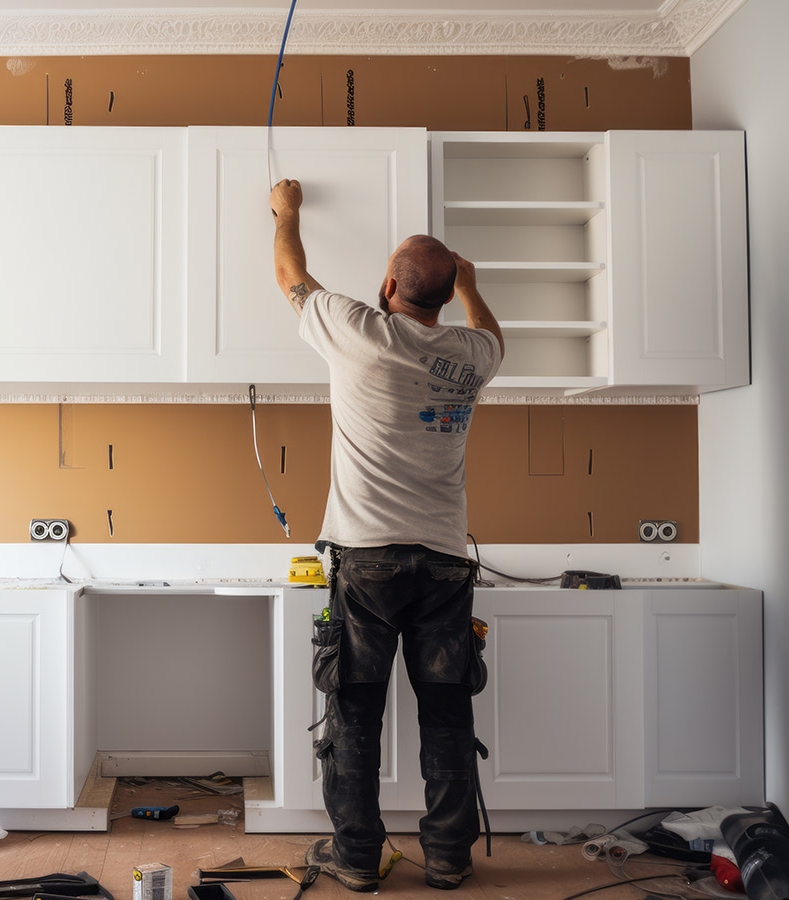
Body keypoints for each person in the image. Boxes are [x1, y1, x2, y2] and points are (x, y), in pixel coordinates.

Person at [269, 178, 504, 892]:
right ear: (445, 292)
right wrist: (470, 283)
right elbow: (493, 333)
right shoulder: (472, 356)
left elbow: (289, 275)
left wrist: (288, 212)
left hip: (367, 561)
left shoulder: (357, 330)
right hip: (442, 564)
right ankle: (448, 859)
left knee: (354, 718)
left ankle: (357, 862)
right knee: (445, 719)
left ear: (385, 285)